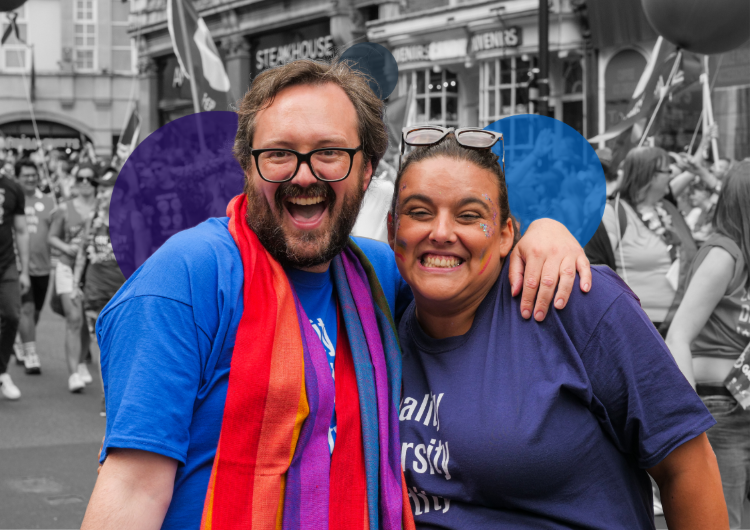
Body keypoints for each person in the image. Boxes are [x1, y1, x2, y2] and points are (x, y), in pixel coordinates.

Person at [81, 59, 592, 530]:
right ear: (247, 165)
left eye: (330, 153)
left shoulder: (382, 274)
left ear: (368, 171)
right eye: (279, 154)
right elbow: (132, 489)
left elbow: (465, 262)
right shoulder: (187, 278)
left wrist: (540, 234)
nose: (305, 175)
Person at [389, 131, 728, 529]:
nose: (442, 232)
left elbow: (688, 466)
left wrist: (548, 226)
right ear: (393, 227)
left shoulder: (573, 298)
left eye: (469, 215)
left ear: (505, 236)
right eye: (420, 212)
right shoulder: (377, 317)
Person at [666, 160, 750, 529]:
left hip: (740, 405)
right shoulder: (723, 254)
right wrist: (690, 421)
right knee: (721, 521)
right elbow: (678, 335)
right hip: (721, 408)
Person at [600, 146, 697, 332]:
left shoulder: (668, 209)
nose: (671, 175)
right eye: (667, 171)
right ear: (649, 176)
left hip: (682, 323)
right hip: (638, 326)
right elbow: (598, 271)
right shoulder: (612, 213)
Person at [73, 167, 128, 415]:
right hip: (95, 292)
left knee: (123, 344)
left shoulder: (131, 218)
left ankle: (121, 391)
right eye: (102, 188)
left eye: (110, 187)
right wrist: (75, 284)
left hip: (122, 291)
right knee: (101, 345)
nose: (105, 193)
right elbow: (82, 254)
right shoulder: (91, 219)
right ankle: (108, 394)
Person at [48, 162, 98, 392]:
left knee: (87, 320)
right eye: (81, 179)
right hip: (67, 267)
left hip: (91, 271)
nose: (86, 183)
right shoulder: (64, 208)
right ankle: (73, 373)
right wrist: (66, 248)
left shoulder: (102, 207)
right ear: (75, 182)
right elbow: (52, 237)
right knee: (73, 318)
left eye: (90, 179)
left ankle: (81, 361)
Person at [15, 158, 55, 374]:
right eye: (26, 176)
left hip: (44, 266)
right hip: (19, 266)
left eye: (33, 175)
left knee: (36, 311)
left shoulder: (49, 202)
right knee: (26, 308)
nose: (31, 179)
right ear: (17, 178)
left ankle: (21, 341)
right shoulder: (13, 200)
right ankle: (31, 354)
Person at [0, 155, 30, 401]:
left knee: (12, 315)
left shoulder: (13, 188)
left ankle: (2, 371)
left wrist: (25, 271)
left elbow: (21, 230)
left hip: (7, 264)